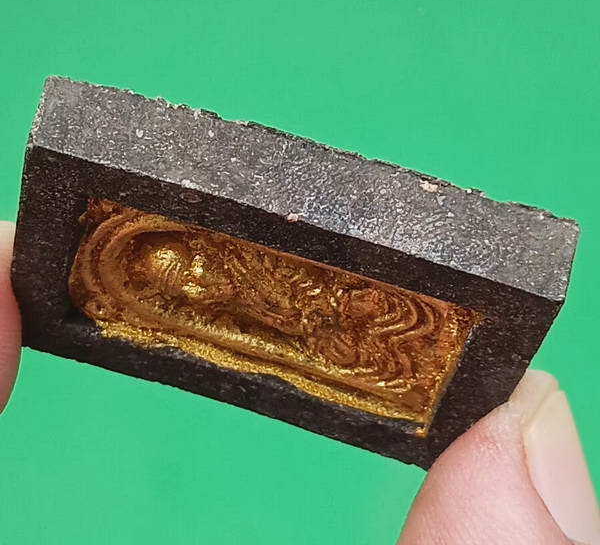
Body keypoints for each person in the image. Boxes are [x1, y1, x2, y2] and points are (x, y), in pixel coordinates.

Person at [0, 222, 597, 545]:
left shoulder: (259, 274)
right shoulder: (231, 313)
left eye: (189, 264)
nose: (196, 281)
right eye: (182, 286)